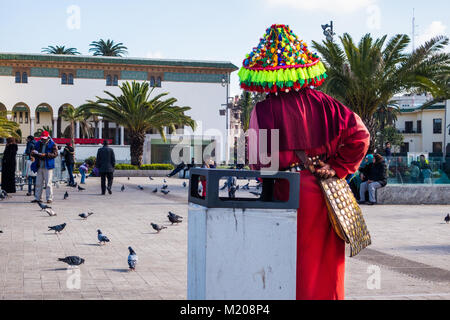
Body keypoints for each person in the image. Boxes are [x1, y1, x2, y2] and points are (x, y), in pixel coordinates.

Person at [243, 24, 370, 300]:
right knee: (326, 267)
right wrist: (335, 167)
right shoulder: (328, 104)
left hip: (286, 194)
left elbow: (258, 162)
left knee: (291, 265)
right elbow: (361, 135)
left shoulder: (265, 109)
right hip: (325, 195)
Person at [31, 131, 58, 203]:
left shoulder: (53, 144)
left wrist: (45, 155)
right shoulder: (38, 143)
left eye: (44, 138)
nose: (43, 140)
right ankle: (37, 198)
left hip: (48, 166)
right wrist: (33, 153)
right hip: (39, 165)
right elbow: (34, 151)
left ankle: (49, 198)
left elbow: (55, 154)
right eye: (42, 138)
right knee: (38, 183)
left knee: (48, 183)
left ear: (48, 137)